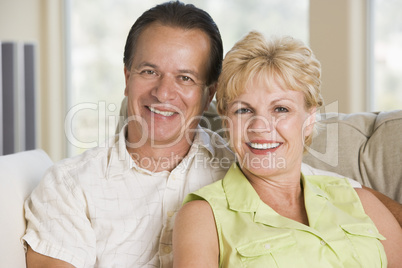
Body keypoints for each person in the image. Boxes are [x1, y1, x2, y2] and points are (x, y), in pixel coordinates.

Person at [23, 1, 401, 267]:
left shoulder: (247, 162)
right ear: (127, 77)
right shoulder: (71, 186)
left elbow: (331, 193)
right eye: (149, 71)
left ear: (209, 94)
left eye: (185, 77)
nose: (164, 93)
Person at [173, 32, 402, 267]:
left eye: (280, 109)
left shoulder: (361, 201)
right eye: (243, 110)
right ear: (226, 121)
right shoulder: (203, 216)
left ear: (310, 119)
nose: (260, 127)